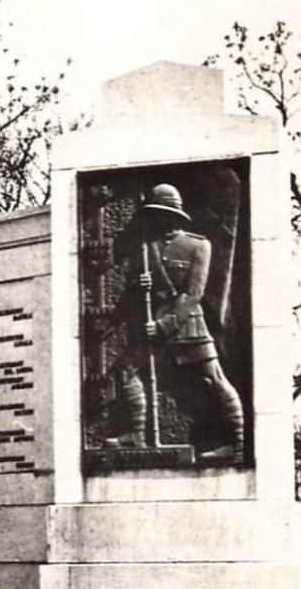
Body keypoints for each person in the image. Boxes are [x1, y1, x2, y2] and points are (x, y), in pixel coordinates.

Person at [105, 184, 244, 460]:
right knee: (124, 371)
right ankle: (136, 434)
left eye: (161, 213)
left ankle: (238, 443)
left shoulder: (198, 245)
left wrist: (165, 324)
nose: (157, 219)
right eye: (153, 214)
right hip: (150, 325)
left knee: (213, 379)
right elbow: (132, 297)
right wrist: (137, 286)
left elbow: (193, 294)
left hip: (187, 326)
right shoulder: (145, 249)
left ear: (173, 215)